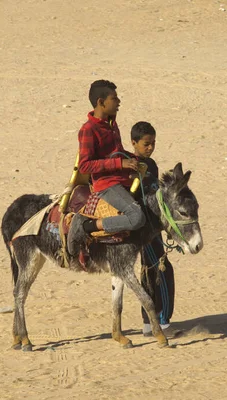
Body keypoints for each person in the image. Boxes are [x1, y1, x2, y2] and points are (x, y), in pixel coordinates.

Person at [70, 80, 146, 266]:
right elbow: (85, 166)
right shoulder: (88, 130)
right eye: (114, 98)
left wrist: (135, 159)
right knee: (137, 217)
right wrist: (120, 162)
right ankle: (87, 226)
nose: (119, 101)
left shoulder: (112, 124)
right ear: (100, 102)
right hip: (106, 185)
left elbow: (116, 151)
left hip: (123, 179)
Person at [130, 121, 178, 337]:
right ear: (134, 143)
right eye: (146, 144)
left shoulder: (153, 165)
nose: (150, 148)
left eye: (153, 143)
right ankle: (163, 323)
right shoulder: (131, 166)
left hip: (154, 227)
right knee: (161, 270)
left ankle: (148, 324)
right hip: (143, 229)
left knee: (148, 271)